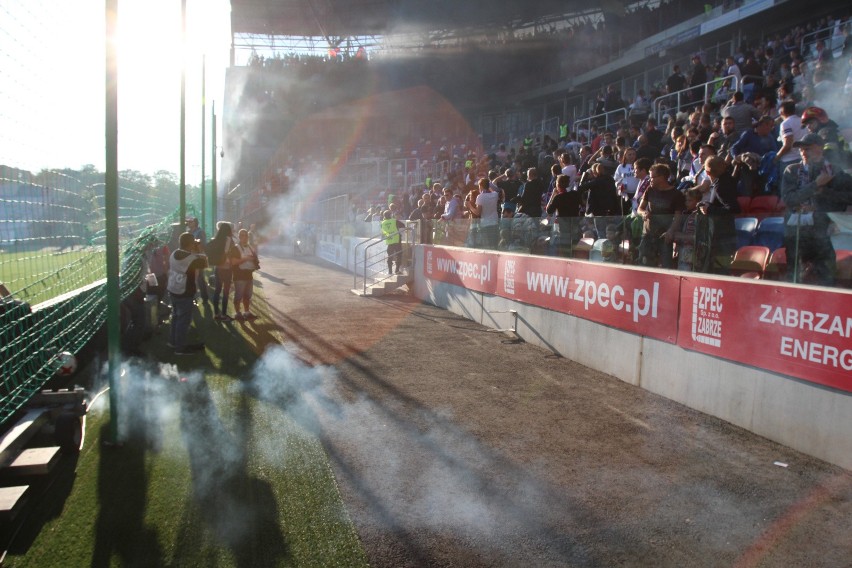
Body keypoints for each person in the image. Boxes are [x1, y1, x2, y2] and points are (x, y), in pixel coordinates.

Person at [781, 133, 852, 286]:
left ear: (819, 148)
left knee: (825, 276)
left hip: (825, 233)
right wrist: (815, 185)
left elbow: (848, 198)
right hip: (797, 233)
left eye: (807, 149)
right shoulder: (792, 170)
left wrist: (825, 192)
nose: (803, 153)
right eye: (801, 150)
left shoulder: (833, 170)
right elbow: (789, 199)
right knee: (794, 276)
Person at [166, 232, 208, 354]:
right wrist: (199, 249)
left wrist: (193, 250)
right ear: (190, 244)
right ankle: (180, 348)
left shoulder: (173, 253)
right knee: (183, 321)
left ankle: (172, 342)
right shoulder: (192, 259)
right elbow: (205, 263)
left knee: (175, 317)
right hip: (184, 291)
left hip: (172, 289)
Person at [637, 164, 685, 269]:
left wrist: (671, 231)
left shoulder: (676, 195)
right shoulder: (649, 190)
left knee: (666, 265)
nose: (650, 180)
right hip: (648, 234)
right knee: (644, 263)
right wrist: (644, 213)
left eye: (652, 177)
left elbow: (678, 216)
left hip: (665, 236)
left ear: (662, 177)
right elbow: (640, 209)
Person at [206, 221, 240, 321]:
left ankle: (216, 313)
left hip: (218, 268)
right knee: (225, 292)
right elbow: (232, 252)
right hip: (227, 268)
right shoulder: (229, 240)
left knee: (217, 291)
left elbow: (207, 248)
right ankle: (224, 315)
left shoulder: (216, 240)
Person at [232, 228, 259, 321]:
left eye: (246, 235)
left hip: (248, 275)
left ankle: (247, 312)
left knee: (247, 295)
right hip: (239, 275)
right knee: (238, 295)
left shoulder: (250, 247)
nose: (245, 237)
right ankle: (237, 313)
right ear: (239, 237)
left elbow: (254, 259)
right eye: (242, 235)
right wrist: (246, 259)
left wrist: (256, 262)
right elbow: (233, 262)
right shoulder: (236, 248)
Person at [186, 217, 209, 305]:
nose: (188, 223)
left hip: (198, 257)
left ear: (195, 223)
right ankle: (193, 297)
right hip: (190, 257)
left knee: (200, 278)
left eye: (190, 222)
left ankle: (204, 297)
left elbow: (202, 245)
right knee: (192, 278)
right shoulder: (188, 232)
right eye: (187, 222)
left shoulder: (200, 232)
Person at [381, 210, 405, 274]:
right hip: (397, 240)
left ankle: (390, 271)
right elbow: (403, 225)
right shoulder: (394, 221)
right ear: (391, 215)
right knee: (399, 255)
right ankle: (397, 270)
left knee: (390, 256)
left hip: (389, 241)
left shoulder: (383, 223)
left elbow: (383, 232)